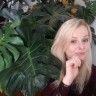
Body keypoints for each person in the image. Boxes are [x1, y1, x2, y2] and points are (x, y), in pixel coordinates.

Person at [41, 18, 96, 96]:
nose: (82, 47)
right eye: (73, 41)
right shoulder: (49, 71)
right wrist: (66, 81)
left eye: (85, 40)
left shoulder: (93, 72)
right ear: (62, 45)